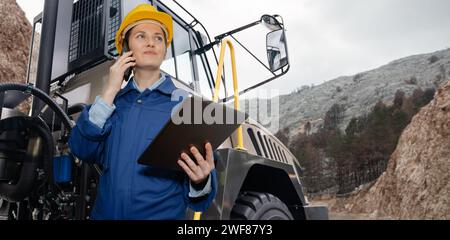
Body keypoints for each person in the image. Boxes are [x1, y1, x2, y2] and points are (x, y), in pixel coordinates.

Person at [68, 4, 217, 220]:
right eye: (141, 36)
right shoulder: (110, 104)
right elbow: (81, 149)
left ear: (164, 51)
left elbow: (199, 201)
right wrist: (110, 89)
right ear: (126, 49)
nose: (151, 42)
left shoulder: (186, 109)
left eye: (158, 38)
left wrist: (201, 180)